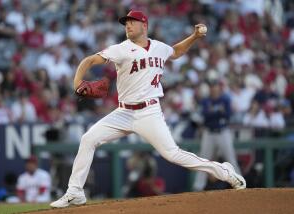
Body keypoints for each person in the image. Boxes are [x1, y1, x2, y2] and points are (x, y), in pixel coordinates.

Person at [50, 10, 246, 208]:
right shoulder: (121, 49)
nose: (127, 26)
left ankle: (224, 172)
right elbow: (90, 60)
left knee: (172, 154)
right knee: (88, 139)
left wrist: (194, 37)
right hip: (124, 112)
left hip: (149, 112)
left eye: (132, 22)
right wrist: (77, 81)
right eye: (125, 23)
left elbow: (176, 52)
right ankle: (75, 191)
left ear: (144, 25)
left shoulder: (159, 47)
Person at [193, 80, 242, 191]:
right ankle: (198, 187)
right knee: (203, 161)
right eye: (211, 86)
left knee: (231, 159)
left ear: (219, 88)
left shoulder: (225, 99)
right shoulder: (206, 100)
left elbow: (228, 114)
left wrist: (213, 113)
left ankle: (239, 183)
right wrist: (218, 112)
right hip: (209, 133)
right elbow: (205, 117)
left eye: (215, 86)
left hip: (223, 132)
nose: (213, 88)